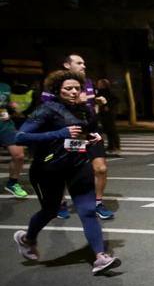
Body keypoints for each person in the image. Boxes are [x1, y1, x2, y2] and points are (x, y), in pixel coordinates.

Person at [13, 70, 120, 274]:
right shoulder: (46, 110)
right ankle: (27, 239)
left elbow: (82, 136)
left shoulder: (84, 110)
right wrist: (59, 133)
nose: (73, 92)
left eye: (77, 88)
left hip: (78, 166)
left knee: (88, 210)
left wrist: (92, 138)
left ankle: (100, 257)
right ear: (57, 90)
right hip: (48, 168)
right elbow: (21, 137)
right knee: (50, 210)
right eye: (68, 88)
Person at [42, 55, 114, 220]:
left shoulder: (88, 82)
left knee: (100, 168)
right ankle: (59, 202)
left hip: (90, 131)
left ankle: (97, 204)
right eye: (79, 63)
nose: (83, 65)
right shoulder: (55, 83)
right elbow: (46, 105)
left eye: (84, 62)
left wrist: (97, 100)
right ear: (67, 65)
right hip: (71, 132)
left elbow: (89, 104)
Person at [0, 80, 28, 198]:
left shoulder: (5, 85)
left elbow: (6, 103)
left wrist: (11, 106)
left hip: (5, 124)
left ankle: (12, 183)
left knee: (19, 155)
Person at [94, 78, 121, 154]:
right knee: (108, 130)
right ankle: (111, 146)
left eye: (99, 84)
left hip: (109, 114)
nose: (98, 85)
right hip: (103, 113)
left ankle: (115, 146)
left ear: (104, 85)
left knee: (111, 130)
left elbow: (116, 100)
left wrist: (108, 106)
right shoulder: (99, 92)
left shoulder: (107, 92)